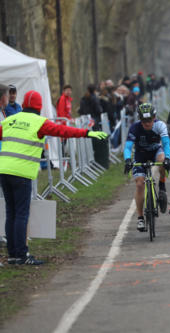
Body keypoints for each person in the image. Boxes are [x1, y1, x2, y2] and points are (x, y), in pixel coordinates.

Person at [0, 90, 108, 265]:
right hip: (21, 173)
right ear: (39, 106)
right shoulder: (39, 122)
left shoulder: (9, 120)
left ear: (24, 104)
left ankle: (12, 254)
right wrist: (87, 133)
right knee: (21, 214)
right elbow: (63, 131)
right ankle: (21, 254)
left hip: (3, 170)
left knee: (11, 213)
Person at [123, 103, 170, 232]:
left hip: (156, 151)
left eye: (149, 120)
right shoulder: (134, 128)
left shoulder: (160, 125)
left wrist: (167, 158)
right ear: (140, 119)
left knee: (162, 160)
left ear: (154, 117)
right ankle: (140, 218)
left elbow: (166, 144)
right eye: (144, 121)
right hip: (140, 155)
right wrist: (127, 160)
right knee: (139, 184)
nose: (147, 123)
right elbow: (127, 147)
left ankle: (162, 186)